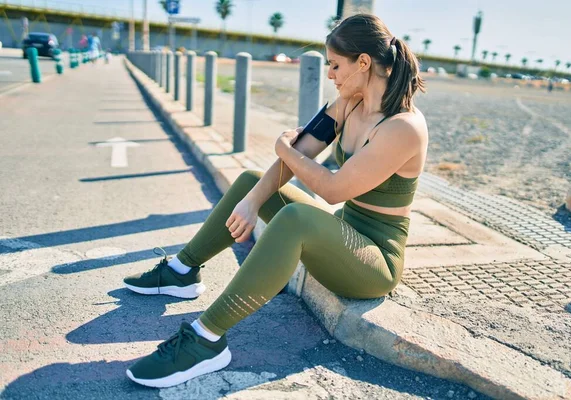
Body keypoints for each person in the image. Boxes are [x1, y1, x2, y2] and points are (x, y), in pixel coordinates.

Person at [123, 13, 428, 388]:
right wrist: (252, 201)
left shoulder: (403, 127)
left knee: (297, 217)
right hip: (345, 235)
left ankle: (206, 340)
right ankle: (183, 271)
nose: (331, 75)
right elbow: (304, 150)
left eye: (335, 65)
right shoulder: (348, 104)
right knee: (254, 181)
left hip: (374, 262)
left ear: (363, 62)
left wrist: (282, 146)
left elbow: (331, 189)